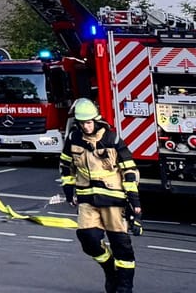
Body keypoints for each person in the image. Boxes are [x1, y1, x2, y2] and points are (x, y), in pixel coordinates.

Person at [60, 98, 142, 293]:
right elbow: (65, 165)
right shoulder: (74, 139)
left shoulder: (112, 140)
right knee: (88, 238)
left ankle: (124, 286)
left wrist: (134, 201)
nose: (86, 127)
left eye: (89, 122)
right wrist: (68, 189)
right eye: (82, 123)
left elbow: (129, 171)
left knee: (121, 245)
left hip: (114, 202)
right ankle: (109, 268)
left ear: (96, 121)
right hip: (87, 200)